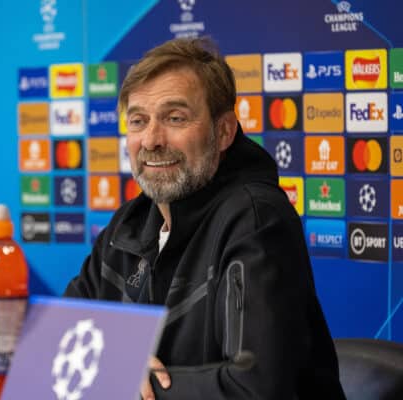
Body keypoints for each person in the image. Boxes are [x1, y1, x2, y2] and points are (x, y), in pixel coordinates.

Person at [64, 38, 346, 399]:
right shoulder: (127, 226)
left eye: (175, 118)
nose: (151, 139)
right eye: (138, 121)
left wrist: (130, 383)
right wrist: (117, 365)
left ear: (224, 131)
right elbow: (53, 349)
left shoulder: (256, 220)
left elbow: (256, 388)